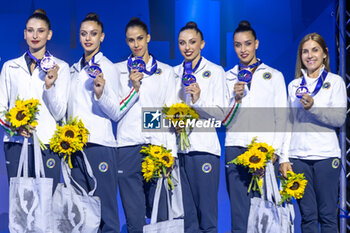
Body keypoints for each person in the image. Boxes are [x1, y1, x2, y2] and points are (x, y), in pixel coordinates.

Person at [68, 12, 137, 233]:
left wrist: (100, 93)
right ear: (79, 37)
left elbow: (116, 112)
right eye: (84, 34)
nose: (88, 38)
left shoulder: (108, 67)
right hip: (75, 148)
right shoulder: (73, 69)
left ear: (102, 37)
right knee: (80, 214)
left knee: (106, 212)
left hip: (100, 145)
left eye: (93, 34)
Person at [223, 20, 287, 233]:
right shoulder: (227, 77)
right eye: (238, 45)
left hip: (263, 154)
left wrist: (276, 153)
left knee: (265, 217)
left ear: (256, 44)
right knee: (239, 217)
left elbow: (282, 119)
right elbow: (223, 119)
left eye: (247, 44)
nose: (243, 50)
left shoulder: (274, 76)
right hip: (234, 149)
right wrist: (235, 98)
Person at [279, 33, 347, 233]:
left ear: (325, 54)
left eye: (315, 50)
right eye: (305, 51)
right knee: (307, 217)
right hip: (298, 158)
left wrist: (313, 107)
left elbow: (338, 119)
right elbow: (287, 123)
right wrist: (284, 158)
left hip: (326, 157)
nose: (310, 55)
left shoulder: (336, 82)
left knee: (327, 216)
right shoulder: (293, 86)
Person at [114, 17, 177, 233]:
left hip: (157, 147)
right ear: (126, 42)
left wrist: (171, 153)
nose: (136, 44)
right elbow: (115, 110)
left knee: (161, 217)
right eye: (131, 40)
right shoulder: (117, 70)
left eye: (140, 38)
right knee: (134, 219)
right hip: (127, 146)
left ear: (148, 37)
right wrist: (133, 86)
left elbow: (169, 113)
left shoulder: (167, 72)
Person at [0, 9, 70, 192]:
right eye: (30, 30)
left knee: (47, 202)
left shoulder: (61, 67)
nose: (35, 35)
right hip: (15, 142)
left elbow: (60, 112)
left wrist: (49, 86)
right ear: (25, 34)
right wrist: (14, 127)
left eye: (40, 31)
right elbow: (0, 107)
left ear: (49, 34)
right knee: (20, 203)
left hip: (47, 143)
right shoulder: (10, 67)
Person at [174, 21, 226, 233]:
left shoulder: (215, 71)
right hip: (179, 152)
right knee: (187, 220)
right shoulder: (174, 73)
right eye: (182, 43)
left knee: (207, 218)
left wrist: (198, 100)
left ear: (202, 44)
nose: (187, 47)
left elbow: (222, 115)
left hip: (204, 150)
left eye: (192, 42)